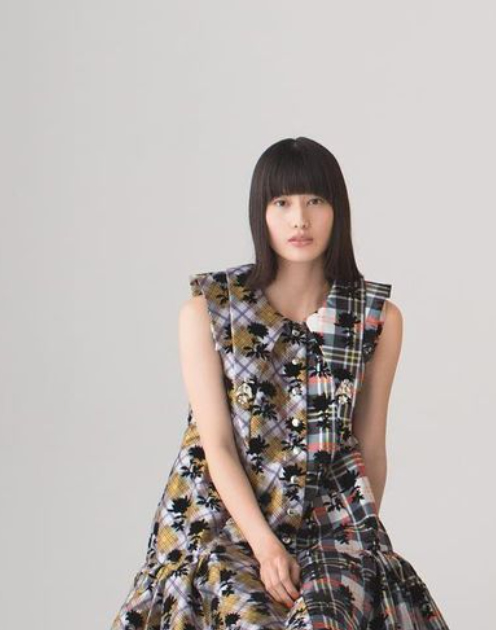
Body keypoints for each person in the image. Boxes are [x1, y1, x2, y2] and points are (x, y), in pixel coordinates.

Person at [111, 137, 449, 630]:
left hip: (329, 526)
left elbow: (370, 447)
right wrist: (266, 547)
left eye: (315, 201)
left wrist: (354, 548)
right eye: (282, 203)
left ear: (338, 211)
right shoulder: (210, 311)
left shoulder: (374, 320)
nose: (299, 220)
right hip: (222, 523)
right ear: (261, 213)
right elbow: (216, 445)